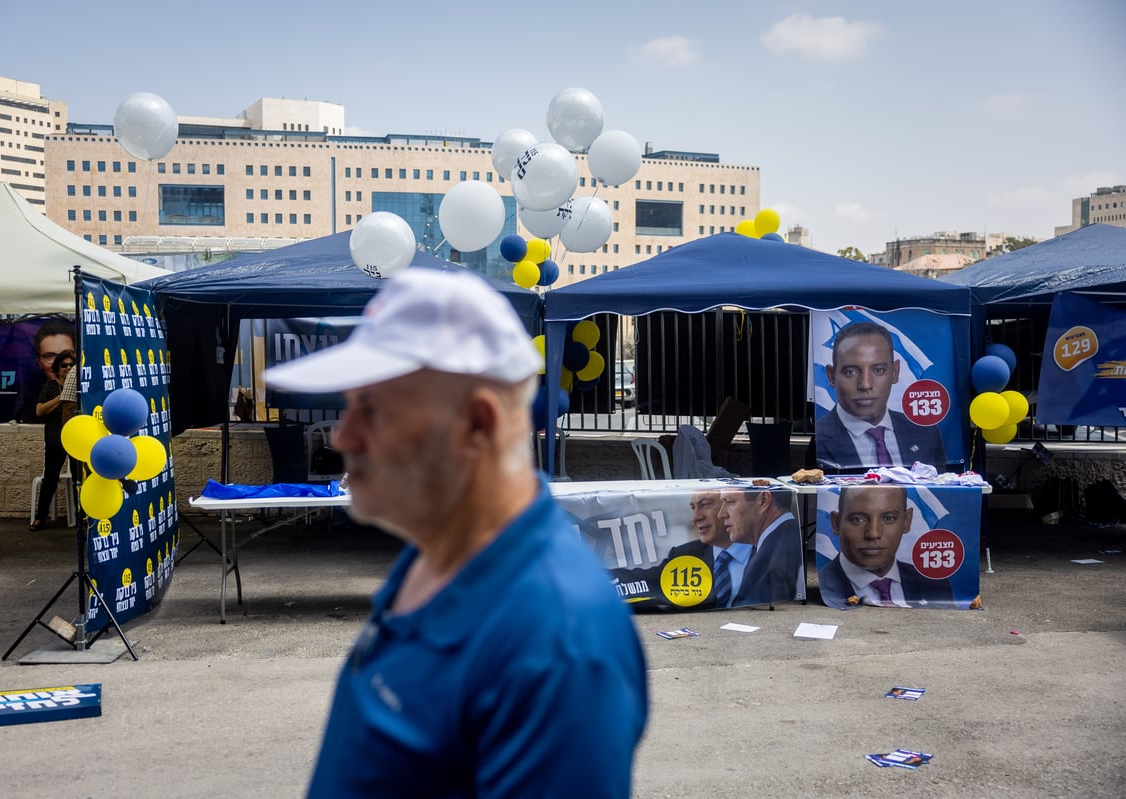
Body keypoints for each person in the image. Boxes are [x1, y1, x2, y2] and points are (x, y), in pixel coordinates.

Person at [264, 269, 648, 798]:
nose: (341, 436)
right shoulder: (437, 552)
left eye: (371, 409)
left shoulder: (557, 647)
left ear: (477, 425)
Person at [817, 321, 946, 471]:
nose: (865, 385)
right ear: (831, 376)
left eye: (878, 370)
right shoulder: (819, 440)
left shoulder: (926, 435)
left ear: (894, 372)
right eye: (851, 372)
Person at [610, 488, 752, 608]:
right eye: (693, 508)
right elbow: (647, 580)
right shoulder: (685, 554)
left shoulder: (766, 550)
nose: (696, 517)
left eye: (705, 505)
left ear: (728, 506)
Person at [819, 484, 956, 608]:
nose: (873, 534)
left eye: (889, 518)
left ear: (907, 521)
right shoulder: (824, 585)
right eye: (858, 519)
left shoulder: (936, 585)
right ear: (836, 523)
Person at [718, 487, 805, 606]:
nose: (721, 514)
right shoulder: (789, 535)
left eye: (730, 502)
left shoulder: (764, 563)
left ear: (764, 500)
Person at [30, 352, 76, 530]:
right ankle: (41, 517)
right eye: (64, 365)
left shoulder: (81, 388)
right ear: (57, 368)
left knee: (78, 479)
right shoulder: (50, 387)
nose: (68, 368)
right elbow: (40, 411)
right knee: (50, 479)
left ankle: (83, 517)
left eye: (72, 365)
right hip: (55, 440)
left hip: (76, 440)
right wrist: (61, 397)